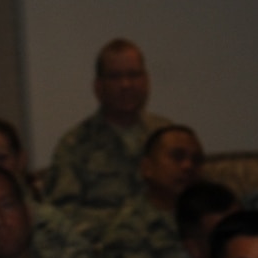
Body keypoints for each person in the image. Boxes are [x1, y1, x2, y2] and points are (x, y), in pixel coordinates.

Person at [44, 39, 170, 224]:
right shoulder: (75, 145)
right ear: (98, 87)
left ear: (146, 82)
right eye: (115, 77)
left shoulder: (167, 136)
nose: (126, 84)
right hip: (104, 248)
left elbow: (195, 202)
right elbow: (62, 216)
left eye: (133, 75)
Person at [99, 124, 205, 258]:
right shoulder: (127, 230)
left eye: (197, 160)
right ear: (147, 167)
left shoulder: (211, 216)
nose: (188, 166)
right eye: (177, 157)